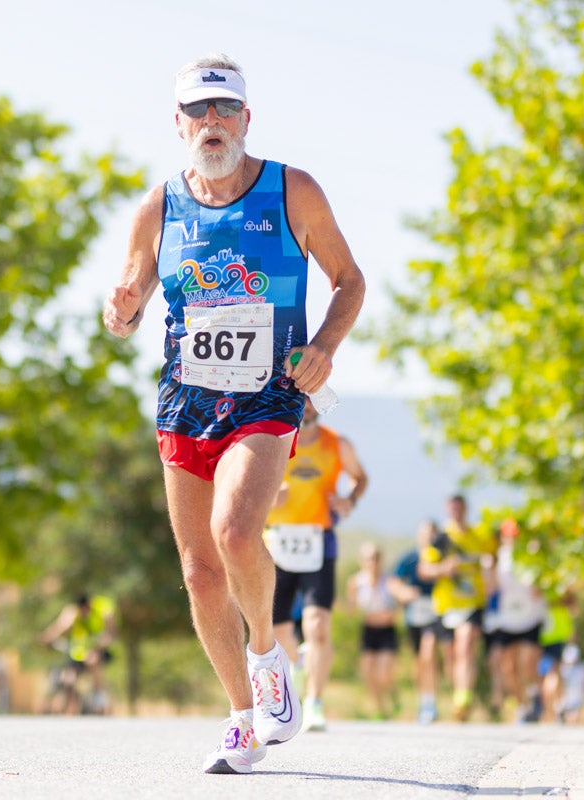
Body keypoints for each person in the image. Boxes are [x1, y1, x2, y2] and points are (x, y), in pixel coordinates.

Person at [102, 53, 365, 775]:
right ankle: (244, 719)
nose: (212, 124)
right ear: (178, 124)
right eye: (198, 112)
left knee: (234, 531)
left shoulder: (292, 191)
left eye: (225, 110)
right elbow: (126, 299)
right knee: (197, 572)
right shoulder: (157, 209)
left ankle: (267, 658)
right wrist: (120, 313)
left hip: (268, 394)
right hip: (186, 399)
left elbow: (349, 280)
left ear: (247, 118)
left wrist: (324, 347)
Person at [265, 400, 368, 733]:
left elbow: (360, 477)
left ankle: (315, 702)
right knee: (278, 630)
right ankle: (296, 662)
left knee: (317, 625)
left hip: (319, 540)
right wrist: (268, 497)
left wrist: (349, 500)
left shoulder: (336, 443)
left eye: (311, 403)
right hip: (276, 543)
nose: (306, 409)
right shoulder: (270, 437)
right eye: (301, 402)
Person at [417, 494, 497, 721]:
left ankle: (464, 697)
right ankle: (456, 696)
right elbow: (425, 569)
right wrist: (444, 569)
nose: (456, 512)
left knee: (466, 644)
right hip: (446, 605)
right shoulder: (441, 538)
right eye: (451, 508)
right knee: (451, 656)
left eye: (459, 508)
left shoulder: (479, 536)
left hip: (472, 602)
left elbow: (494, 555)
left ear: (465, 509)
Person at [492, 519, 547, 722]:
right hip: (508, 618)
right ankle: (522, 705)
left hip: (530, 617)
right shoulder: (498, 558)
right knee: (507, 668)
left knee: (528, 663)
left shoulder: (531, 556)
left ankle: (536, 695)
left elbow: (539, 587)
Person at [390, 519, 444, 724]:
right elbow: (393, 581)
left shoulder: (442, 558)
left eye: (432, 533)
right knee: (419, 661)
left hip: (437, 612)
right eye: (425, 533)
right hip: (414, 615)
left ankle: (432, 702)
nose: (428, 537)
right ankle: (425, 702)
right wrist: (404, 593)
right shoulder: (411, 557)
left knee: (429, 652)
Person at [37, 594, 117, 714]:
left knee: (93, 663)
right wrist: (46, 637)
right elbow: (60, 627)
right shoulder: (72, 613)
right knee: (68, 678)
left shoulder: (102, 610)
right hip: (78, 653)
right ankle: (71, 707)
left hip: (97, 650)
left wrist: (98, 647)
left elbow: (111, 633)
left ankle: (101, 701)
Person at [347, 542, 401, 720]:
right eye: (369, 559)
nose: (372, 562)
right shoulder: (356, 582)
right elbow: (352, 609)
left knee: (384, 673)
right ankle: (379, 708)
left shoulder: (389, 581)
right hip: (368, 630)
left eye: (376, 558)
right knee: (369, 673)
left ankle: (393, 694)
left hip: (386, 631)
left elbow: (400, 597)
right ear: (362, 561)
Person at [538, 588, 578, 722]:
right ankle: (556, 706)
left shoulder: (548, 602)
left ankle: (553, 707)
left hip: (548, 639)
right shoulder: (562, 606)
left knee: (551, 674)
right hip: (555, 639)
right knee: (554, 673)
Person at [557, 643, 584, 724]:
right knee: (567, 716)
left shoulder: (583, 668)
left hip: (577, 696)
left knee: (574, 718)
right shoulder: (562, 668)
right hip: (565, 698)